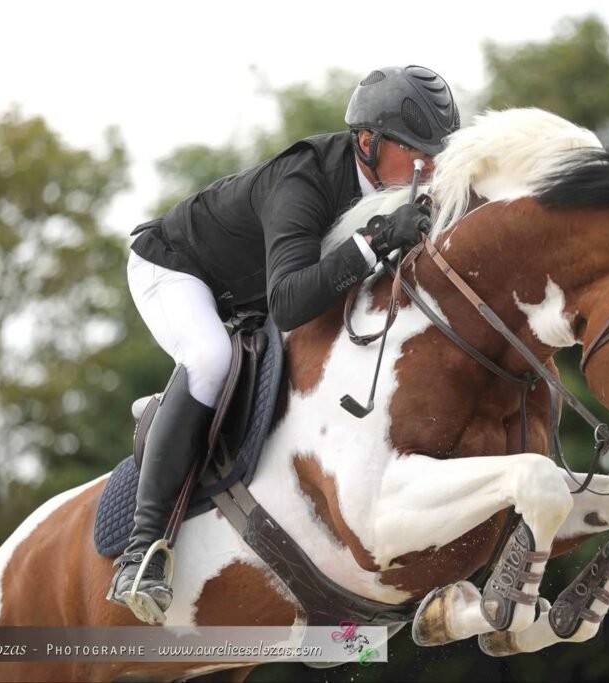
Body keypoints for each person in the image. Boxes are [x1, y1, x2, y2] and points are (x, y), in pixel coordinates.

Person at [107, 65, 460, 623]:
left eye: (435, 153)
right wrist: (372, 243)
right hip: (175, 268)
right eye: (417, 152)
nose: (430, 166)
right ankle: (143, 550)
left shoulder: (403, 185)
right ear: (367, 142)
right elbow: (291, 303)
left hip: (250, 294)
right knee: (209, 358)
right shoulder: (304, 178)